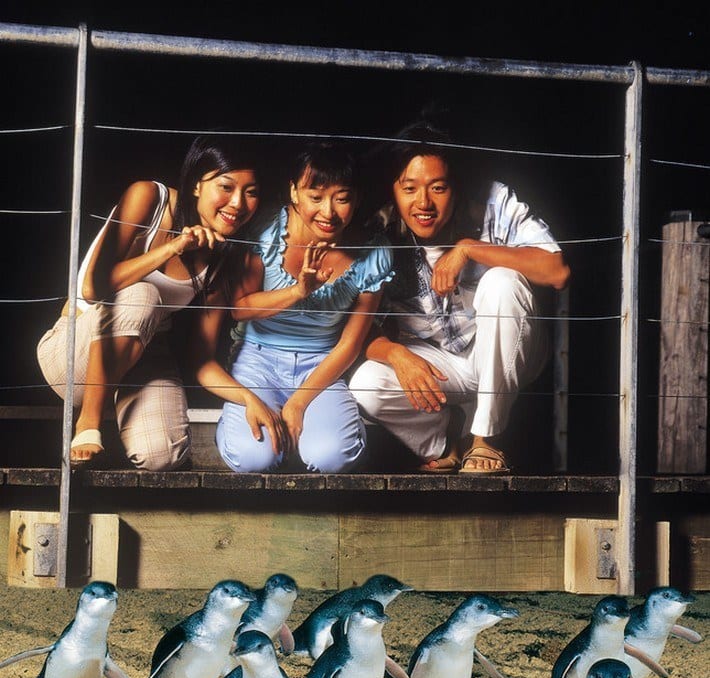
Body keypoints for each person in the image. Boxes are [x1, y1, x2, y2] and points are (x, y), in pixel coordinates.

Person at [349, 122, 571, 473]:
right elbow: (358, 330)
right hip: (440, 364)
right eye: (409, 189)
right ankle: (448, 437)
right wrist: (396, 354)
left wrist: (470, 249)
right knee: (366, 384)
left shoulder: (494, 202)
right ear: (393, 189)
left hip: (512, 351)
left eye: (438, 188)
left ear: (456, 185)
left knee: (502, 282)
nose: (423, 203)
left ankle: (487, 440)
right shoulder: (380, 229)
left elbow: (556, 271)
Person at [36, 135, 265, 471]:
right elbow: (93, 286)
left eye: (251, 192)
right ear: (197, 185)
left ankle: (118, 409)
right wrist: (173, 248)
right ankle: (88, 421)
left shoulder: (223, 257)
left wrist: (248, 398)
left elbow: (201, 359)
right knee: (143, 293)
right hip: (74, 349)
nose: (238, 204)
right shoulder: (150, 198)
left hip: (142, 355)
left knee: (164, 455)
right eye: (226, 187)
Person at [203, 140, 394, 473]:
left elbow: (350, 345)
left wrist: (299, 403)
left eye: (342, 198)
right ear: (294, 192)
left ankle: (313, 432)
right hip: (257, 359)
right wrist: (299, 290)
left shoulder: (373, 251)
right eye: (315, 196)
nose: (328, 212)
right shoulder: (266, 226)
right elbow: (240, 308)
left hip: (321, 363)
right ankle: (238, 431)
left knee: (332, 457)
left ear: (357, 199)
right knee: (254, 459)